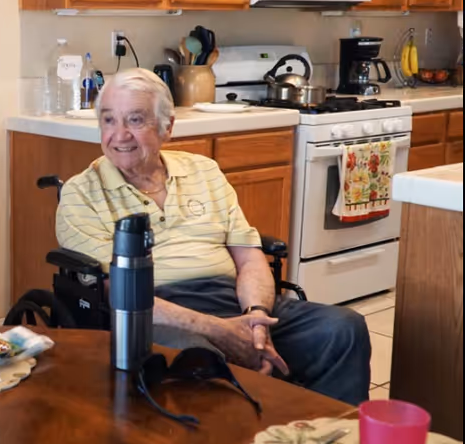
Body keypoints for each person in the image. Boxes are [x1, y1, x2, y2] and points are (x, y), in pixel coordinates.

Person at [56, 68, 371, 405]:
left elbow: (249, 256)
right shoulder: (82, 193)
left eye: (135, 120)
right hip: (152, 310)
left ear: (167, 128)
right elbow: (114, 290)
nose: (119, 135)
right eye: (108, 120)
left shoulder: (203, 170)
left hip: (232, 298)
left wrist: (255, 321)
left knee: (343, 329)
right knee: (200, 360)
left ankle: (327, 441)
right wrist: (219, 330)